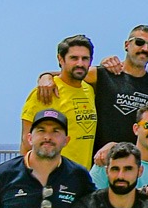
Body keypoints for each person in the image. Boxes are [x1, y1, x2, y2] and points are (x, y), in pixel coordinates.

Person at [21, 36, 99, 168]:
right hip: (52, 176)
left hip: (82, 177)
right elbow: (26, 142)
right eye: (74, 58)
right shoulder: (45, 92)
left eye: (85, 58)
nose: (80, 63)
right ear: (61, 59)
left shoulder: (89, 90)